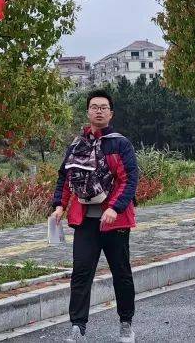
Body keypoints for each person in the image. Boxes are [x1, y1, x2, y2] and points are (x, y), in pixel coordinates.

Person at [52, 90, 138, 343]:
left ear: (111, 113)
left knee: (121, 273)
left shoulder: (120, 144)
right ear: (88, 112)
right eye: (94, 107)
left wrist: (115, 208)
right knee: (80, 273)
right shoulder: (76, 145)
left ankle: (126, 324)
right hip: (85, 221)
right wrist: (59, 205)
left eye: (103, 107)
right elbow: (65, 177)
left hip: (116, 221)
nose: (98, 111)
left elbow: (130, 179)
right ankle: (78, 327)